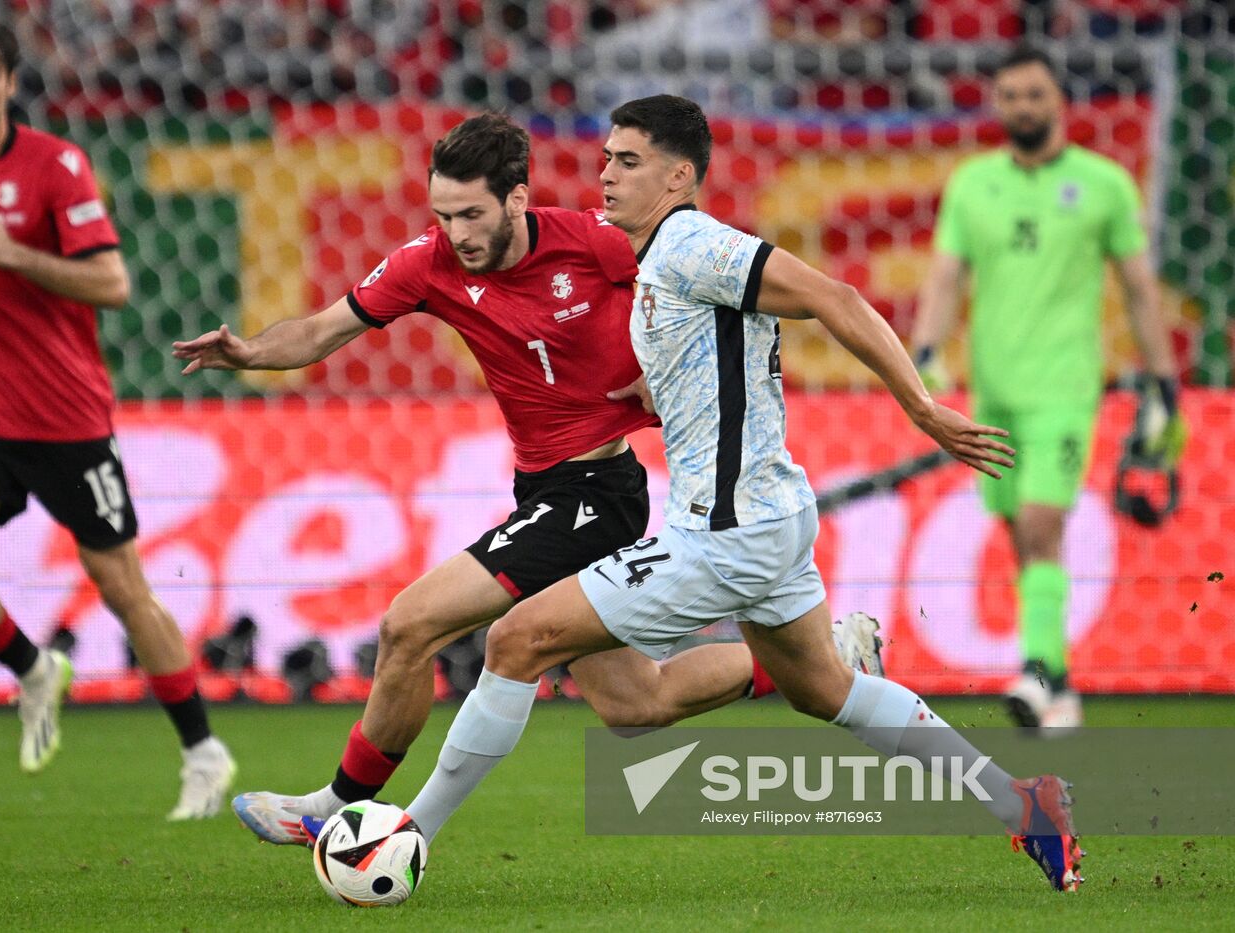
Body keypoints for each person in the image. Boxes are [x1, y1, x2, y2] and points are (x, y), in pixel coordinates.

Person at [401, 95, 1083, 893]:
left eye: (628, 160)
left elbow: (840, 298)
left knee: (516, 641)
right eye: (606, 157)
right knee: (828, 691)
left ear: (678, 175)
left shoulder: (693, 243)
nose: (606, 172)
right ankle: (1022, 804)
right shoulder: (653, 257)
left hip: (723, 533)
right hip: (769, 518)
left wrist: (923, 408)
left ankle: (410, 834)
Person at [172, 113, 884, 845]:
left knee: (409, 625)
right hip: (540, 488)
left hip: (595, 491)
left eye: (473, 214)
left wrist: (661, 372)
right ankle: (828, 656)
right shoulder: (429, 262)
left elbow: (703, 291)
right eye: (444, 215)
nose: (458, 233)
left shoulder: (600, 243)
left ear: (518, 199)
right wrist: (251, 352)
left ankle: (335, 804)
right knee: (638, 703)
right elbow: (325, 328)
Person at [0, 14, 234, 820]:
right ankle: (33, 666)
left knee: (122, 586)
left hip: (64, 414)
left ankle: (202, 750)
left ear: (11, 84)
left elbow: (112, 283)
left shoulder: (57, 167)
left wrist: (15, 254)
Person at [911, 46, 1181, 731]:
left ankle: (1037, 671)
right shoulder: (974, 184)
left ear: (1059, 101)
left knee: (1039, 523)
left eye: (1034, 94)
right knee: (1018, 532)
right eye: (1010, 96)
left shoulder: (1104, 184)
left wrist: (1163, 382)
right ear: (997, 104)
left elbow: (1139, 289)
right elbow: (946, 276)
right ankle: (1058, 681)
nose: (1023, 107)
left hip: (1064, 388)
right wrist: (925, 353)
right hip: (992, 390)